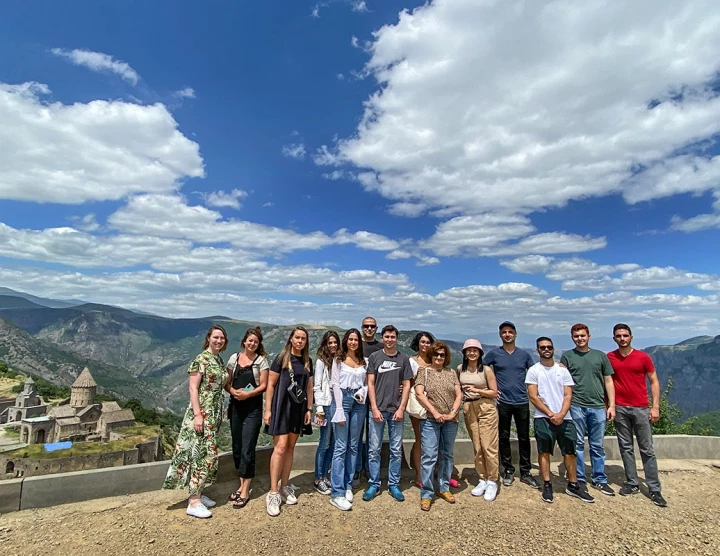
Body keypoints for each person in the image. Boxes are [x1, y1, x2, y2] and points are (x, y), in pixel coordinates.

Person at [162, 325, 229, 518]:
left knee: (202, 453)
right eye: (216, 337)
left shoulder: (217, 359)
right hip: (203, 413)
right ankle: (193, 502)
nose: (219, 340)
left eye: (222, 338)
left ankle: (196, 492)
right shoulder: (201, 360)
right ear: (208, 338)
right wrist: (199, 414)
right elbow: (193, 389)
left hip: (214, 413)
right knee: (204, 455)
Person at [526, 337, 594, 503]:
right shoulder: (534, 370)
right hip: (543, 417)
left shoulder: (562, 370)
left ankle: (573, 484)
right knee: (544, 452)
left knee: (570, 452)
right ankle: (547, 484)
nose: (546, 349)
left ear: (553, 349)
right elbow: (533, 397)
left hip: (566, 417)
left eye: (549, 346)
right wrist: (551, 414)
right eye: (542, 347)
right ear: (537, 350)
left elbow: (568, 394)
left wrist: (562, 413)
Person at [607, 324, 667, 507]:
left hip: (641, 408)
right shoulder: (609, 357)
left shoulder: (643, 357)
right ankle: (632, 483)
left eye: (625, 335)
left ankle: (654, 489)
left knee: (647, 449)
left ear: (631, 337)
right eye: (618, 336)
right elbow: (604, 379)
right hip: (620, 408)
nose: (622, 338)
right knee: (625, 448)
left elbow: (654, 381)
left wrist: (655, 406)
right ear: (614, 338)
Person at [263, 326, 314, 517]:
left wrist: (309, 409)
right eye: (297, 337)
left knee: (291, 447)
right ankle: (273, 492)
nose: (300, 341)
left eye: (303, 338)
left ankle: (285, 485)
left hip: (298, 409)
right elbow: (271, 385)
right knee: (280, 447)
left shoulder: (308, 361)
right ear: (291, 339)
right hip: (281, 407)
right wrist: (267, 409)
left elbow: (309, 387)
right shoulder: (281, 358)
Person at [560, 323, 616, 496]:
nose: (580, 339)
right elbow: (562, 381)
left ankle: (599, 479)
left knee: (597, 445)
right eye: (576, 336)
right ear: (572, 338)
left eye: (583, 335)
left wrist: (612, 405)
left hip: (598, 406)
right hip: (575, 405)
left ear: (589, 336)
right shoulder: (567, 356)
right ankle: (579, 478)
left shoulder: (600, 356)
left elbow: (608, 381)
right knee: (577, 444)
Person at [483, 321, 539, 489]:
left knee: (524, 438)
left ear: (515, 334)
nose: (507, 334)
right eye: (504, 332)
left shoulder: (524, 355)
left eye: (510, 332)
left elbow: (536, 372)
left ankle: (526, 472)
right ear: (500, 335)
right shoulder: (494, 354)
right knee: (503, 437)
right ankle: (508, 469)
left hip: (522, 400)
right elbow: (481, 370)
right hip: (502, 402)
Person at [363, 324, 413, 502]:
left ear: (396, 339)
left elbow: (407, 384)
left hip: (395, 410)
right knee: (374, 449)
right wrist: (374, 408)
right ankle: (374, 484)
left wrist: (401, 408)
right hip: (378, 409)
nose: (390, 339)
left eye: (393, 337)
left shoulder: (404, 359)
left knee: (395, 450)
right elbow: (370, 383)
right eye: (387, 336)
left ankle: (393, 484)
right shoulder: (375, 357)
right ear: (382, 338)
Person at [225, 327, 270, 509]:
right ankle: (240, 482)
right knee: (237, 446)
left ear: (258, 345)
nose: (252, 344)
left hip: (253, 408)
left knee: (248, 447)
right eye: (249, 341)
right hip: (236, 406)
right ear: (244, 341)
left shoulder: (262, 361)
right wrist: (232, 391)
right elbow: (226, 382)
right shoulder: (233, 359)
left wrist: (247, 394)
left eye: (255, 342)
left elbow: (264, 385)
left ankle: (245, 489)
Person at [414, 341, 462, 511]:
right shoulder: (424, 371)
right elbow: (419, 394)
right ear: (431, 355)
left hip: (451, 420)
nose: (439, 357)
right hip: (430, 419)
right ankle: (427, 494)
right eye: (436, 354)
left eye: (442, 354)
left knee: (447, 455)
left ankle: (444, 488)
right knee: (429, 456)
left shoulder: (451, 373)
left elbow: (458, 394)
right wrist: (435, 412)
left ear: (446, 357)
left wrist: (453, 412)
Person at [328, 328, 368, 511]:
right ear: (346, 341)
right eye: (350, 339)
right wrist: (338, 409)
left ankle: (348, 484)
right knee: (340, 446)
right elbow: (335, 384)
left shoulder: (363, 361)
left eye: (355, 339)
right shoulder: (338, 359)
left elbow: (367, 383)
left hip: (358, 402)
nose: (353, 342)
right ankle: (336, 492)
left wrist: (362, 392)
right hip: (342, 400)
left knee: (354, 445)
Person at [457, 339, 500, 501]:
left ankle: (493, 480)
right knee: (477, 445)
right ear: (464, 353)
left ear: (480, 353)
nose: (472, 353)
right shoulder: (460, 369)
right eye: (469, 350)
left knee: (489, 445)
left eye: (475, 350)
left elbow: (494, 392)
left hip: (486, 407)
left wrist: (476, 390)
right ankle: (482, 478)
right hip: (469, 408)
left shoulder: (486, 370)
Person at [355, 316, 383, 483]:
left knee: (373, 436)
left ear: (376, 328)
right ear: (362, 327)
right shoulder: (356, 345)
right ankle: (358, 468)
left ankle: (369, 469)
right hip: (358, 396)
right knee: (357, 435)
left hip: (376, 396)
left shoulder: (381, 348)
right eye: (366, 326)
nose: (369, 329)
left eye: (372, 326)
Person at [312, 331, 340, 495]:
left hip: (338, 405)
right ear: (325, 344)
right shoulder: (321, 362)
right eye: (330, 343)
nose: (332, 345)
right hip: (327, 406)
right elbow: (316, 386)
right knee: (324, 442)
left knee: (335, 442)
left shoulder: (339, 360)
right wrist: (320, 408)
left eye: (335, 342)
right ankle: (318, 478)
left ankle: (325, 475)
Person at [408, 331, 435, 488]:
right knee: (420, 439)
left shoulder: (436, 359)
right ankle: (419, 474)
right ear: (417, 344)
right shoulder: (412, 362)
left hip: (435, 403)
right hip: (418, 403)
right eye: (422, 342)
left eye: (428, 342)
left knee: (434, 440)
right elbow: (407, 382)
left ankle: (433, 473)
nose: (425, 345)